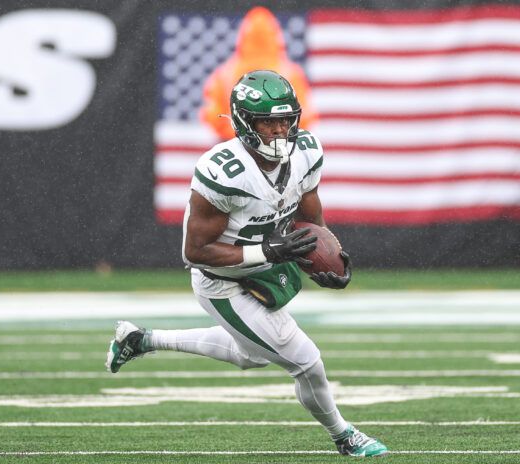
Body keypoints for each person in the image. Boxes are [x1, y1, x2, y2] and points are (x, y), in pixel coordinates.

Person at [106, 70, 388, 457]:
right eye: (267, 121)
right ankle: (344, 435)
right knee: (305, 361)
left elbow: (312, 220)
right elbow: (195, 252)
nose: (277, 131)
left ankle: (139, 339)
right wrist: (268, 252)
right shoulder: (223, 171)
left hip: (270, 261)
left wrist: (324, 260)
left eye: (284, 120)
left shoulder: (306, 152)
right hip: (220, 279)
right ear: (243, 122)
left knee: (251, 354)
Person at [199, 6, 316, 141]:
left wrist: (240, 134)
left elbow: (212, 115)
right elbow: (305, 116)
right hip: (278, 149)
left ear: (243, 35)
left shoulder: (225, 74)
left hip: (236, 145)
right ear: (275, 35)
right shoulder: (290, 74)